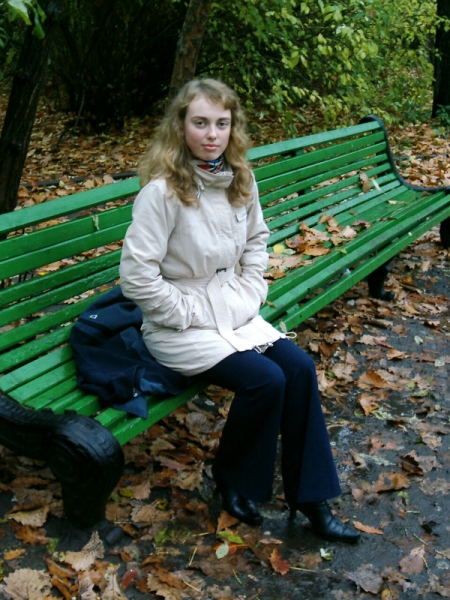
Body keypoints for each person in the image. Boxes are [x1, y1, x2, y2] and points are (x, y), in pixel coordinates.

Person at [119, 78, 360, 544]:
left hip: (234, 311)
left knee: (299, 368)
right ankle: (233, 478)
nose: (212, 134)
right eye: (200, 123)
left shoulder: (240, 181)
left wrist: (250, 291)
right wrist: (186, 312)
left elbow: (257, 242)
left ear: (233, 128)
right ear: (180, 127)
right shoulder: (162, 193)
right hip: (180, 326)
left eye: (221, 123)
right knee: (265, 380)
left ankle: (313, 499)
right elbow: (136, 278)